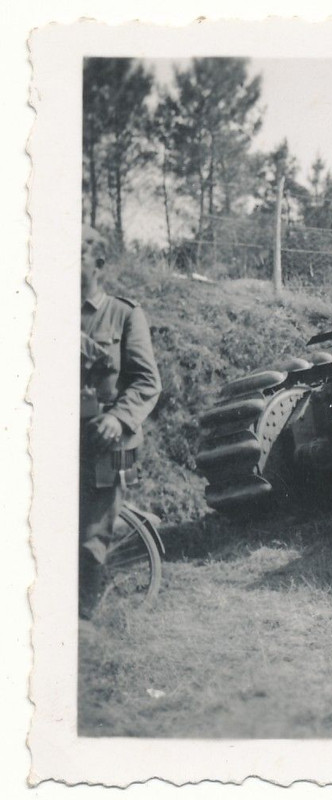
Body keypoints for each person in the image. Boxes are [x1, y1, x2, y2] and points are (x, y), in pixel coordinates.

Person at [79, 225, 162, 619]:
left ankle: (84, 622)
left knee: (92, 536)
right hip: (63, 439)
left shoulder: (125, 314)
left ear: (99, 264)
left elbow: (148, 382)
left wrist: (119, 417)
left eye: (77, 254)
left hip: (115, 443)